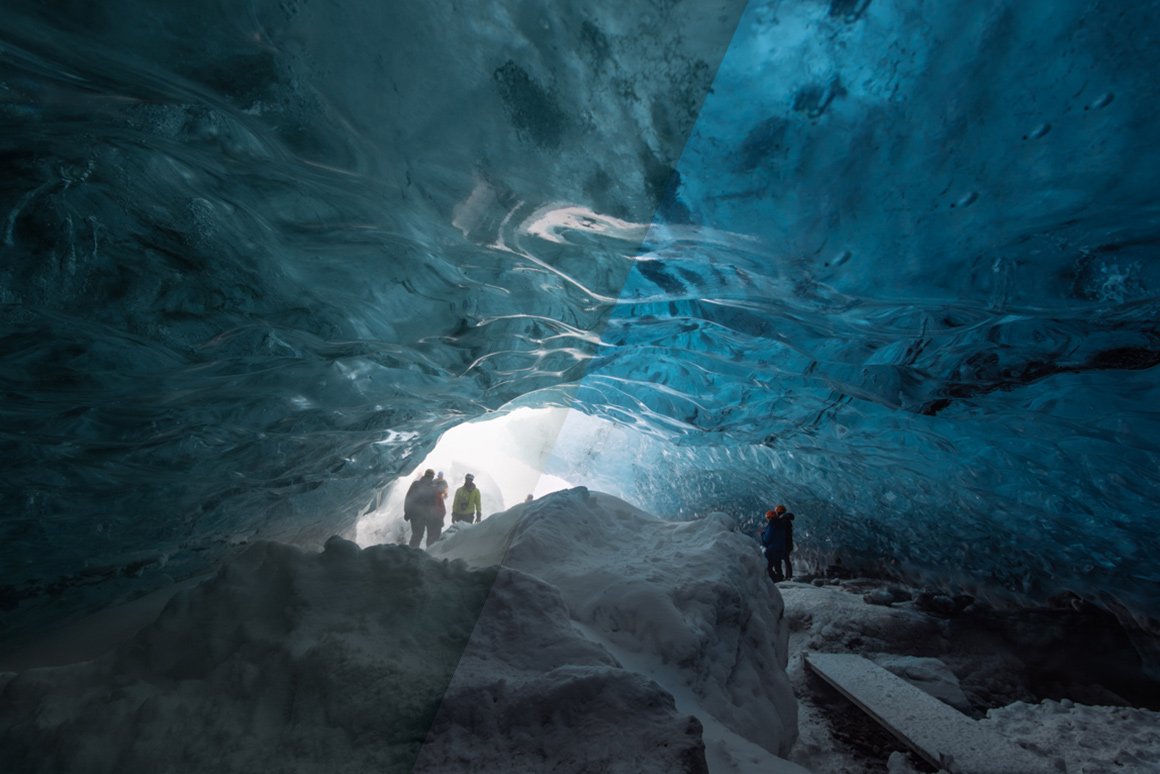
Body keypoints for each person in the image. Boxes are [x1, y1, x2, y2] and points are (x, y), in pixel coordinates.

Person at [404, 469, 440, 548]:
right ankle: (417, 554)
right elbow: (435, 503)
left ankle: (411, 553)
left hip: (417, 515)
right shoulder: (432, 487)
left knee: (417, 535)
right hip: (424, 515)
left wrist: (407, 512)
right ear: (432, 477)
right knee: (423, 535)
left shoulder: (416, 484)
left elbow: (409, 498)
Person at [761, 504, 796, 582]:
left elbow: (768, 538)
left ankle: (781, 578)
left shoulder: (776, 523)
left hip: (777, 546)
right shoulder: (785, 521)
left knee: (770, 565)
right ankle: (785, 577)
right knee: (780, 562)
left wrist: (763, 534)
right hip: (784, 545)